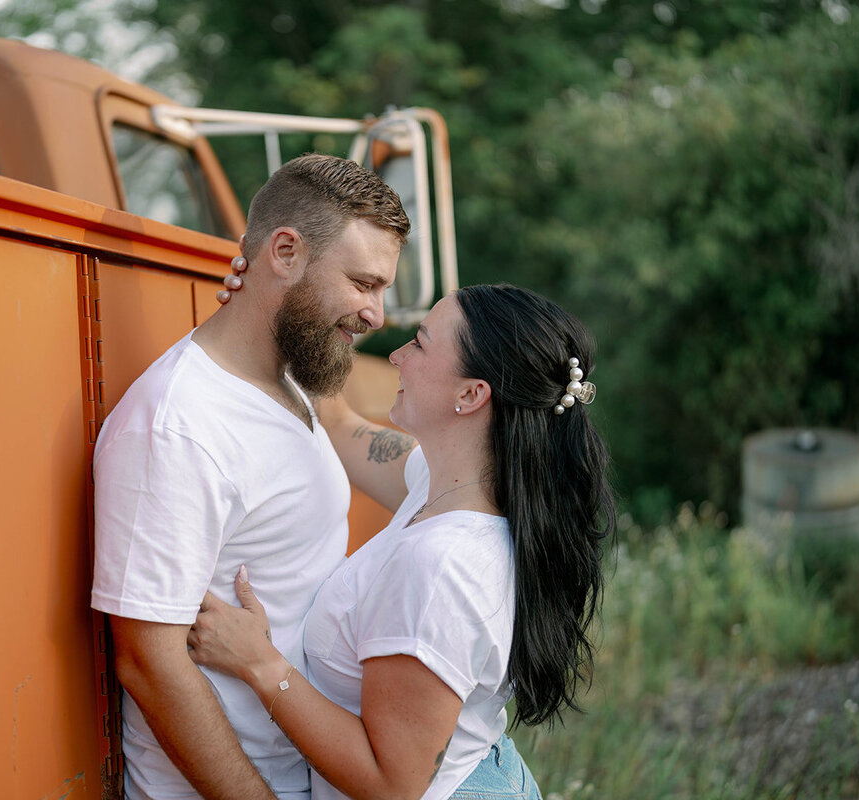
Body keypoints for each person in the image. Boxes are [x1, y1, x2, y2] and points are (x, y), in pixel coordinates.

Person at [189, 281, 616, 800]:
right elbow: (339, 421)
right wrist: (284, 298)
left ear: (470, 394)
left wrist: (260, 664)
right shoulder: (448, 484)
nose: (395, 355)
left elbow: (391, 785)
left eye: (419, 342)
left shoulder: (441, 568)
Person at [90, 153, 410, 800]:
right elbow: (149, 665)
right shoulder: (178, 427)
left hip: (306, 774)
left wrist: (499, 473)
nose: (377, 314)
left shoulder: (293, 378)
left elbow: (354, 433)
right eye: (363, 283)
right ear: (285, 252)